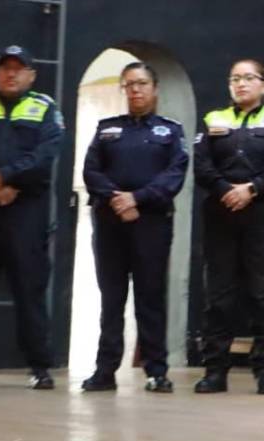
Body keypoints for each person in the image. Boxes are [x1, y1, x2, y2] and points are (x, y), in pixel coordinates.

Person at [81, 62, 189, 393]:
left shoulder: (170, 131)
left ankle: (156, 371)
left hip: (151, 224)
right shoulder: (107, 129)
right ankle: (105, 370)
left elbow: (174, 175)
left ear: (155, 89)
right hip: (110, 222)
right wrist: (117, 199)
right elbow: (91, 171)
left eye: (142, 83)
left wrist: (136, 199)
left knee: (150, 297)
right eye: (129, 84)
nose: (136, 90)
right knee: (111, 298)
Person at [193, 59, 264, 395]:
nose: (241, 84)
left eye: (248, 78)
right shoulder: (213, 119)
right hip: (221, 213)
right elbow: (202, 166)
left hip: (263, 214)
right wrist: (227, 190)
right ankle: (214, 370)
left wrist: (250, 190)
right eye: (235, 78)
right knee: (219, 296)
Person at [0, 45, 64, 389]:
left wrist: (4, 176)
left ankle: (39, 367)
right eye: (5, 67)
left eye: (18, 68)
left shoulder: (44, 108)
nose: (10, 73)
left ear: (31, 75)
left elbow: (45, 156)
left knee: (29, 290)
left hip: (26, 213)